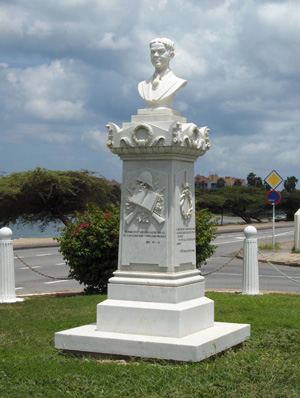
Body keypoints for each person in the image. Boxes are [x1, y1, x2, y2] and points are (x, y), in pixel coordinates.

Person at [138, 37, 187, 108]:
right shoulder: (142, 85)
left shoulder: (177, 82)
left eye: (160, 51)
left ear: (171, 55)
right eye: (153, 52)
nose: (155, 55)